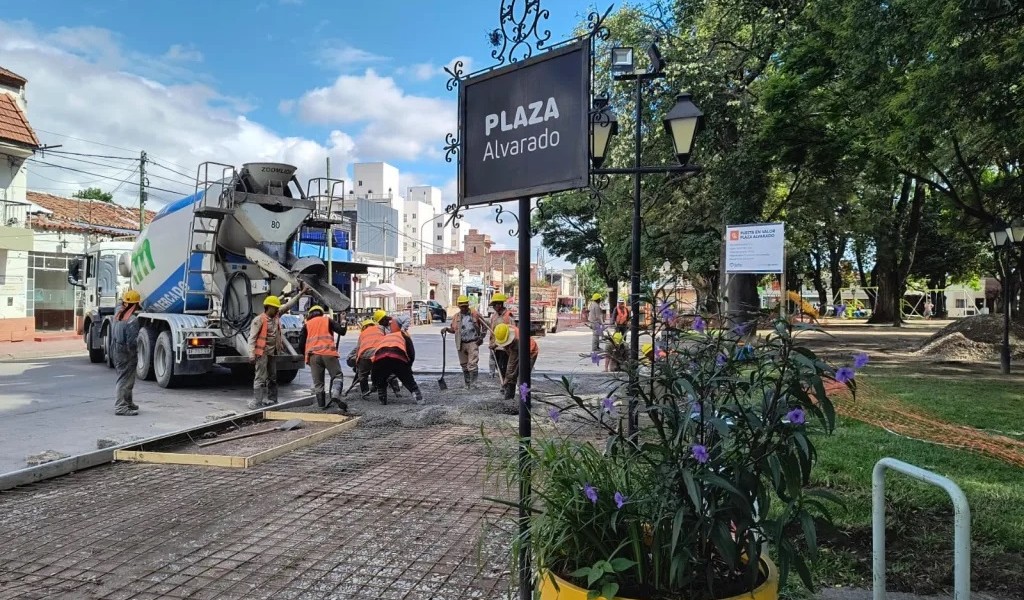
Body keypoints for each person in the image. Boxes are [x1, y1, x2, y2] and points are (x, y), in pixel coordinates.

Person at [248, 285, 307, 410]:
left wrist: (302, 293)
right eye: (275, 308)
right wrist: (251, 354)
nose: (277, 310)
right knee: (260, 378)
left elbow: (289, 305)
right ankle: (257, 402)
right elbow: (252, 338)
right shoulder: (259, 320)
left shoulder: (276, 317)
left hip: (272, 353)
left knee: (273, 377)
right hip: (261, 353)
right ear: (269, 307)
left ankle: (272, 400)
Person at [296, 305, 348, 412]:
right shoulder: (327, 320)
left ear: (310, 315)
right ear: (321, 313)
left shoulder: (306, 325)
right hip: (328, 353)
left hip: (313, 356)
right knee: (337, 375)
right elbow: (342, 331)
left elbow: (301, 344)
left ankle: (321, 406)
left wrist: (306, 355)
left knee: (318, 383)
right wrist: (343, 320)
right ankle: (335, 394)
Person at [371, 318, 423, 405]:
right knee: (409, 380)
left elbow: (375, 356)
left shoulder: (385, 336)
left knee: (381, 379)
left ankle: (382, 398)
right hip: (398, 358)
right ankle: (418, 398)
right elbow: (411, 353)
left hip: (381, 359)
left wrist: (375, 381)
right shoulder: (403, 335)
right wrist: (408, 367)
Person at [111, 289, 142, 416]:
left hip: (116, 349)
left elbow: (120, 304)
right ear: (135, 305)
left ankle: (128, 402)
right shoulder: (132, 320)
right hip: (126, 352)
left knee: (127, 378)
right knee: (124, 379)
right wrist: (134, 354)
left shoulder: (118, 314)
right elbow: (132, 342)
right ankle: (120, 407)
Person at [445, 295, 485, 389]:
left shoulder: (475, 314)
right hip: (461, 343)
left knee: (472, 364)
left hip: (473, 342)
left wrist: (481, 337)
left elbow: (485, 326)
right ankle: (467, 384)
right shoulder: (456, 317)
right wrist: (446, 329)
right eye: (462, 306)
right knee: (464, 364)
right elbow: (453, 329)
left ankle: (474, 384)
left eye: (465, 306)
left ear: (468, 305)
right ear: (458, 306)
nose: (464, 308)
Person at [493, 323, 538, 400]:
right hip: (517, 350)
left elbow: (511, 367)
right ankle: (509, 398)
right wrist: (495, 345)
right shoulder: (504, 329)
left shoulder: (517, 341)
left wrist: (506, 380)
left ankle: (525, 402)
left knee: (522, 378)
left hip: (530, 353)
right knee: (511, 377)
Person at [354, 310, 387, 396]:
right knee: (382, 372)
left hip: (365, 355)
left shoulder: (362, 334)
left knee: (363, 374)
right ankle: (382, 393)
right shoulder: (380, 328)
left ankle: (365, 392)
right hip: (379, 354)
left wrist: (357, 365)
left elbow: (358, 350)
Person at [487, 293, 515, 385]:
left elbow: (512, 333)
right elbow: (492, 332)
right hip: (495, 347)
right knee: (498, 366)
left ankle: (506, 385)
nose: (494, 307)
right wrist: (492, 343)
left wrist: (497, 344)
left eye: (495, 305)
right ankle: (503, 384)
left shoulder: (508, 316)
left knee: (505, 367)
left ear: (500, 304)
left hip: (505, 348)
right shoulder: (494, 316)